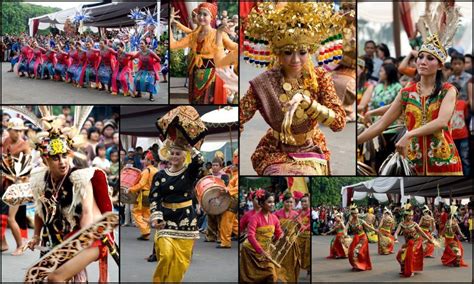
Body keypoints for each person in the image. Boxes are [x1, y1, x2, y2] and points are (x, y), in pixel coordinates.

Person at [240, 2, 346, 175]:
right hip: (275, 150)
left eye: (302, 52)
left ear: (310, 51)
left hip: (312, 147)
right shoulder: (263, 83)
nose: (296, 60)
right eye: (288, 52)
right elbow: (240, 116)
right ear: (278, 53)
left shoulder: (320, 77)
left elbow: (339, 123)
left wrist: (309, 104)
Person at [357, 33, 463, 175]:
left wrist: (408, 135)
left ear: (439, 66)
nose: (422, 62)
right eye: (420, 57)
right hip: (413, 163)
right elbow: (382, 123)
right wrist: (356, 141)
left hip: (444, 162)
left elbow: (442, 122)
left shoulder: (448, 90)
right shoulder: (406, 92)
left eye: (430, 58)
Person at [26, 112, 115, 282]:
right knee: (42, 279)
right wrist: (36, 236)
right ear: (46, 160)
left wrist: (74, 248)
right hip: (57, 239)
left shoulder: (80, 178)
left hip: (89, 237)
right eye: (55, 158)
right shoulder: (40, 180)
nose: (62, 162)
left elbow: (87, 215)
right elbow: (40, 209)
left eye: (65, 155)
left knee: (55, 279)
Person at [149, 137, 203, 282]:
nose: (174, 156)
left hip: (186, 221)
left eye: (178, 154)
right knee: (166, 255)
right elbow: (154, 198)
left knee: (181, 262)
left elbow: (199, 162)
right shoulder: (160, 175)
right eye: (172, 153)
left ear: (185, 155)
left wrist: (190, 147)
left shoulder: (189, 173)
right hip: (166, 220)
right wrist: (156, 218)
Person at [170, 2, 238, 104]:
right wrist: (169, 23)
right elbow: (173, 45)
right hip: (195, 73)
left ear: (212, 18)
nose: (201, 17)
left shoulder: (218, 33)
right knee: (196, 102)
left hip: (213, 76)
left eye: (205, 14)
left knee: (209, 102)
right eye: (200, 14)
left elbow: (235, 48)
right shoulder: (193, 36)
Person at [1, 118, 31, 255]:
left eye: (20, 130)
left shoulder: (25, 145)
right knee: (1, 216)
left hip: (17, 184)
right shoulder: (6, 141)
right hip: (4, 182)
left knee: (10, 217)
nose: (18, 133)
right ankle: (3, 243)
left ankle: (20, 245)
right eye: (16, 130)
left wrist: (20, 179)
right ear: (9, 130)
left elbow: (27, 166)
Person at [239, 189, 283, 282]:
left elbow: (278, 233)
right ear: (262, 203)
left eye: (273, 202)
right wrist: (261, 251)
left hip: (266, 254)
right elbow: (250, 236)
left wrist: (282, 236)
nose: (272, 204)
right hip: (251, 252)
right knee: (250, 280)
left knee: (272, 276)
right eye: (269, 202)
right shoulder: (254, 218)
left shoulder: (274, 218)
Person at [394, 204, 435, 278]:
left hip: (416, 241)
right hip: (408, 243)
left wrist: (429, 239)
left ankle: (411, 270)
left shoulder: (414, 224)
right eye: (409, 216)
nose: (410, 217)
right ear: (405, 216)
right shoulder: (401, 224)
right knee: (399, 256)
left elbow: (422, 233)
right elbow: (396, 232)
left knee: (410, 254)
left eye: (411, 216)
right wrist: (396, 238)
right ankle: (404, 269)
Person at [127, 151, 158, 241]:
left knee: (136, 212)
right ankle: (146, 233)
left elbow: (141, 184)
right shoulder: (156, 170)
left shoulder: (146, 171)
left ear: (149, 160)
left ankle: (145, 231)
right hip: (152, 194)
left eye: (145, 159)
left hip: (144, 194)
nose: (143, 161)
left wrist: (131, 189)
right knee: (146, 213)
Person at [274, 193, 301, 282]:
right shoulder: (277, 214)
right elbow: (274, 228)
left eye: (291, 202)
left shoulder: (296, 214)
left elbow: (300, 229)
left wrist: (299, 223)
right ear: (283, 202)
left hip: (291, 243)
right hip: (279, 242)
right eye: (287, 202)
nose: (289, 204)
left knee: (291, 264)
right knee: (278, 263)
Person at [345, 204, 378, 271]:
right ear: (352, 214)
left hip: (363, 238)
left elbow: (368, 227)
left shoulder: (361, 221)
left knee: (356, 251)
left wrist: (375, 230)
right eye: (354, 213)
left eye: (357, 213)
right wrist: (345, 234)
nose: (356, 214)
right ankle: (356, 265)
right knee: (350, 252)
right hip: (356, 238)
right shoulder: (350, 222)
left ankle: (359, 265)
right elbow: (345, 229)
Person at [297, 194, 311, 276]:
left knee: (307, 253)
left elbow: (309, 226)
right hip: (298, 235)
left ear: (309, 202)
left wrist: (303, 225)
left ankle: (309, 269)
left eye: (305, 201)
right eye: (302, 201)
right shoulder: (298, 212)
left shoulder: (310, 212)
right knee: (298, 253)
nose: (303, 203)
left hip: (308, 236)